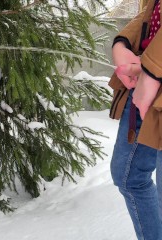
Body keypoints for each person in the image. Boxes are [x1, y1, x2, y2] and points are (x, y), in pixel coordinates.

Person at [109, 0, 162, 239]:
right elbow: (151, 12)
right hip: (143, 81)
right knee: (128, 177)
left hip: (151, 79)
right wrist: (122, 43)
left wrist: (153, 72)